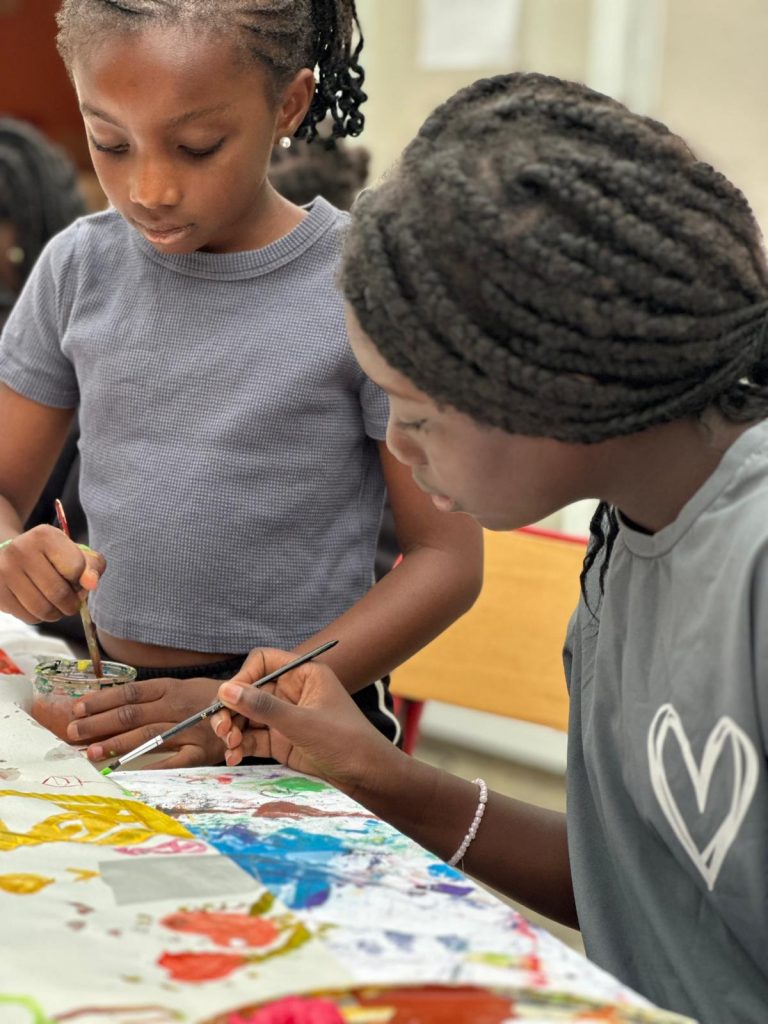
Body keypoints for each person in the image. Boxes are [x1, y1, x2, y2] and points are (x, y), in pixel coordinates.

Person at [208, 73, 768, 1024]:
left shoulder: (750, 558)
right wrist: (379, 779)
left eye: (418, 415)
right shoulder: (627, 535)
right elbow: (642, 890)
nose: (396, 447)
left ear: (559, 380)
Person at [0, 0, 483, 766]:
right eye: (110, 142)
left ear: (289, 104)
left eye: (197, 147)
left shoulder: (361, 284)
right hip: (120, 708)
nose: (149, 188)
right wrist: (11, 552)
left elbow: (446, 560)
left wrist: (254, 702)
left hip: (304, 728)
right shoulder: (78, 269)